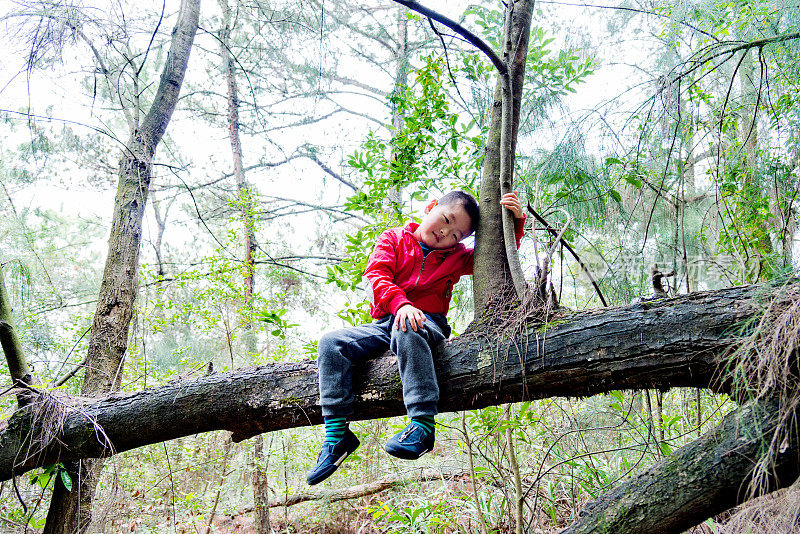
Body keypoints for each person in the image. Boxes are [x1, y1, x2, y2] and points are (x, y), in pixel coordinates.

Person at [307, 190, 525, 485]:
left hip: (427, 324)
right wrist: (401, 305)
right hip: (387, 320)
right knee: (331, 344)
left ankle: (422, 425)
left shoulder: (456, 257)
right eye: (446, 220)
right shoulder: (393, 239)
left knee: (406, 327)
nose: (446, 232)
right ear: (431, 207)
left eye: (456, 234)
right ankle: (336, 436)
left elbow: (493, 259)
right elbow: (377, 274)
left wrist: (516, 224)